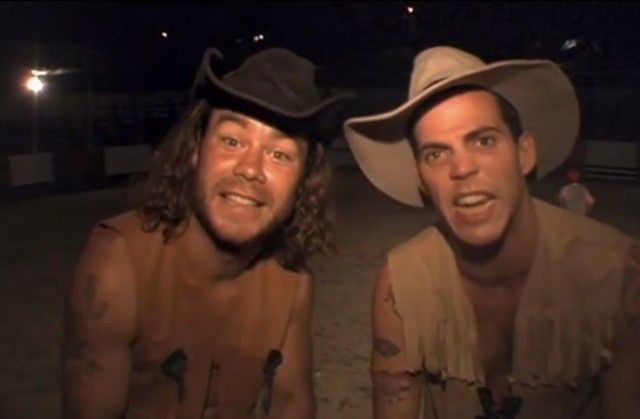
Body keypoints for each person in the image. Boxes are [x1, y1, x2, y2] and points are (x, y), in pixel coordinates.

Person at [344, 46, 640, 418]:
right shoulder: (402, 285)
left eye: (483, 140)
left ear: (524, 154)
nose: (462, 168)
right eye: (436, 154)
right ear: (422, 180)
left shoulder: (616, 274)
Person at [62, 47, 351, 419]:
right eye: (232, 141)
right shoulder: (117, 266)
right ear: (195, 149)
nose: (250, 169)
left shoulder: (292, 283)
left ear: (303, 182)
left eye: (279, 154)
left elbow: (292, 402)